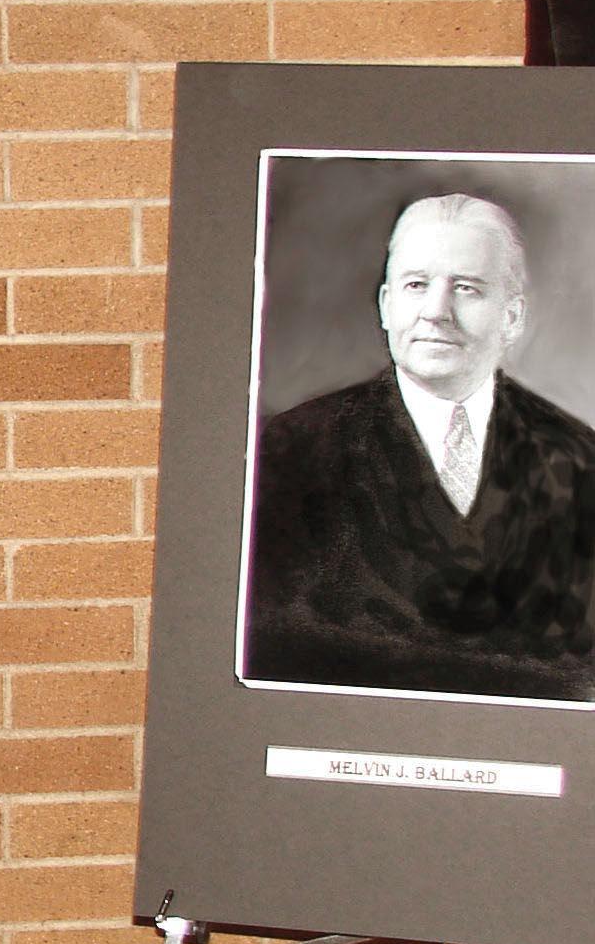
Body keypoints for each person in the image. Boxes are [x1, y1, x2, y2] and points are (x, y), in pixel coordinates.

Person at [245, 193, 595, 701]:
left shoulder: (580, 459)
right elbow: (271, 650)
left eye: (467, 288)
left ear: (513, 317)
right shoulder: (291, 450)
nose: (436, 312)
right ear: (387, 305)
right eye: (416, 285)